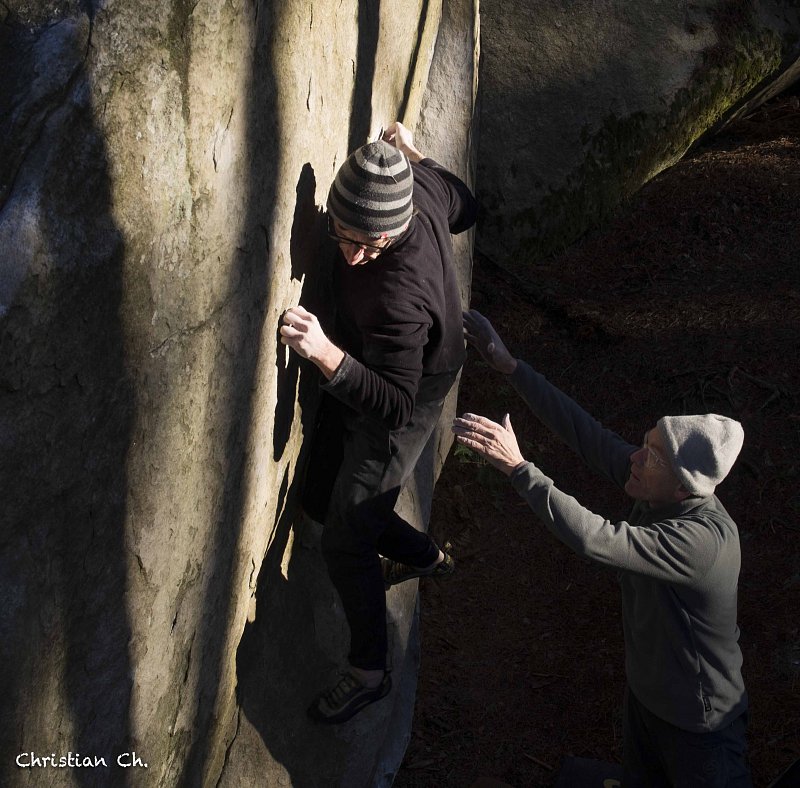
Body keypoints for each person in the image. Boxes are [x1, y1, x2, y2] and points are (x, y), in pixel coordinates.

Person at [452, 309, 752, 787]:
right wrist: (511, 366)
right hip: (648, 701)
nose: (635, 457)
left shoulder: (702, 543)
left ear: (684, 488)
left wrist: (520, 469)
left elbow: (599, 539)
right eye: (645, 443)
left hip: (701, 729)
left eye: (651, 456)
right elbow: (588, 435)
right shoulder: (656, 486)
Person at [280, 122, 478, 724]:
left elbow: (394, 405)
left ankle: (371, 672)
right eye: (343, 235)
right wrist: (415, 154)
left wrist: (327, 356)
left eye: (371, 244)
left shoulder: (396, 297)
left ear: (393, 231)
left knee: (346, 538)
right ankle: (424, 557)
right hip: (388, 362)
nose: (352, 254)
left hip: (409, 388)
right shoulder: (417, 184)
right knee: (323, 497)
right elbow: (466, 204)